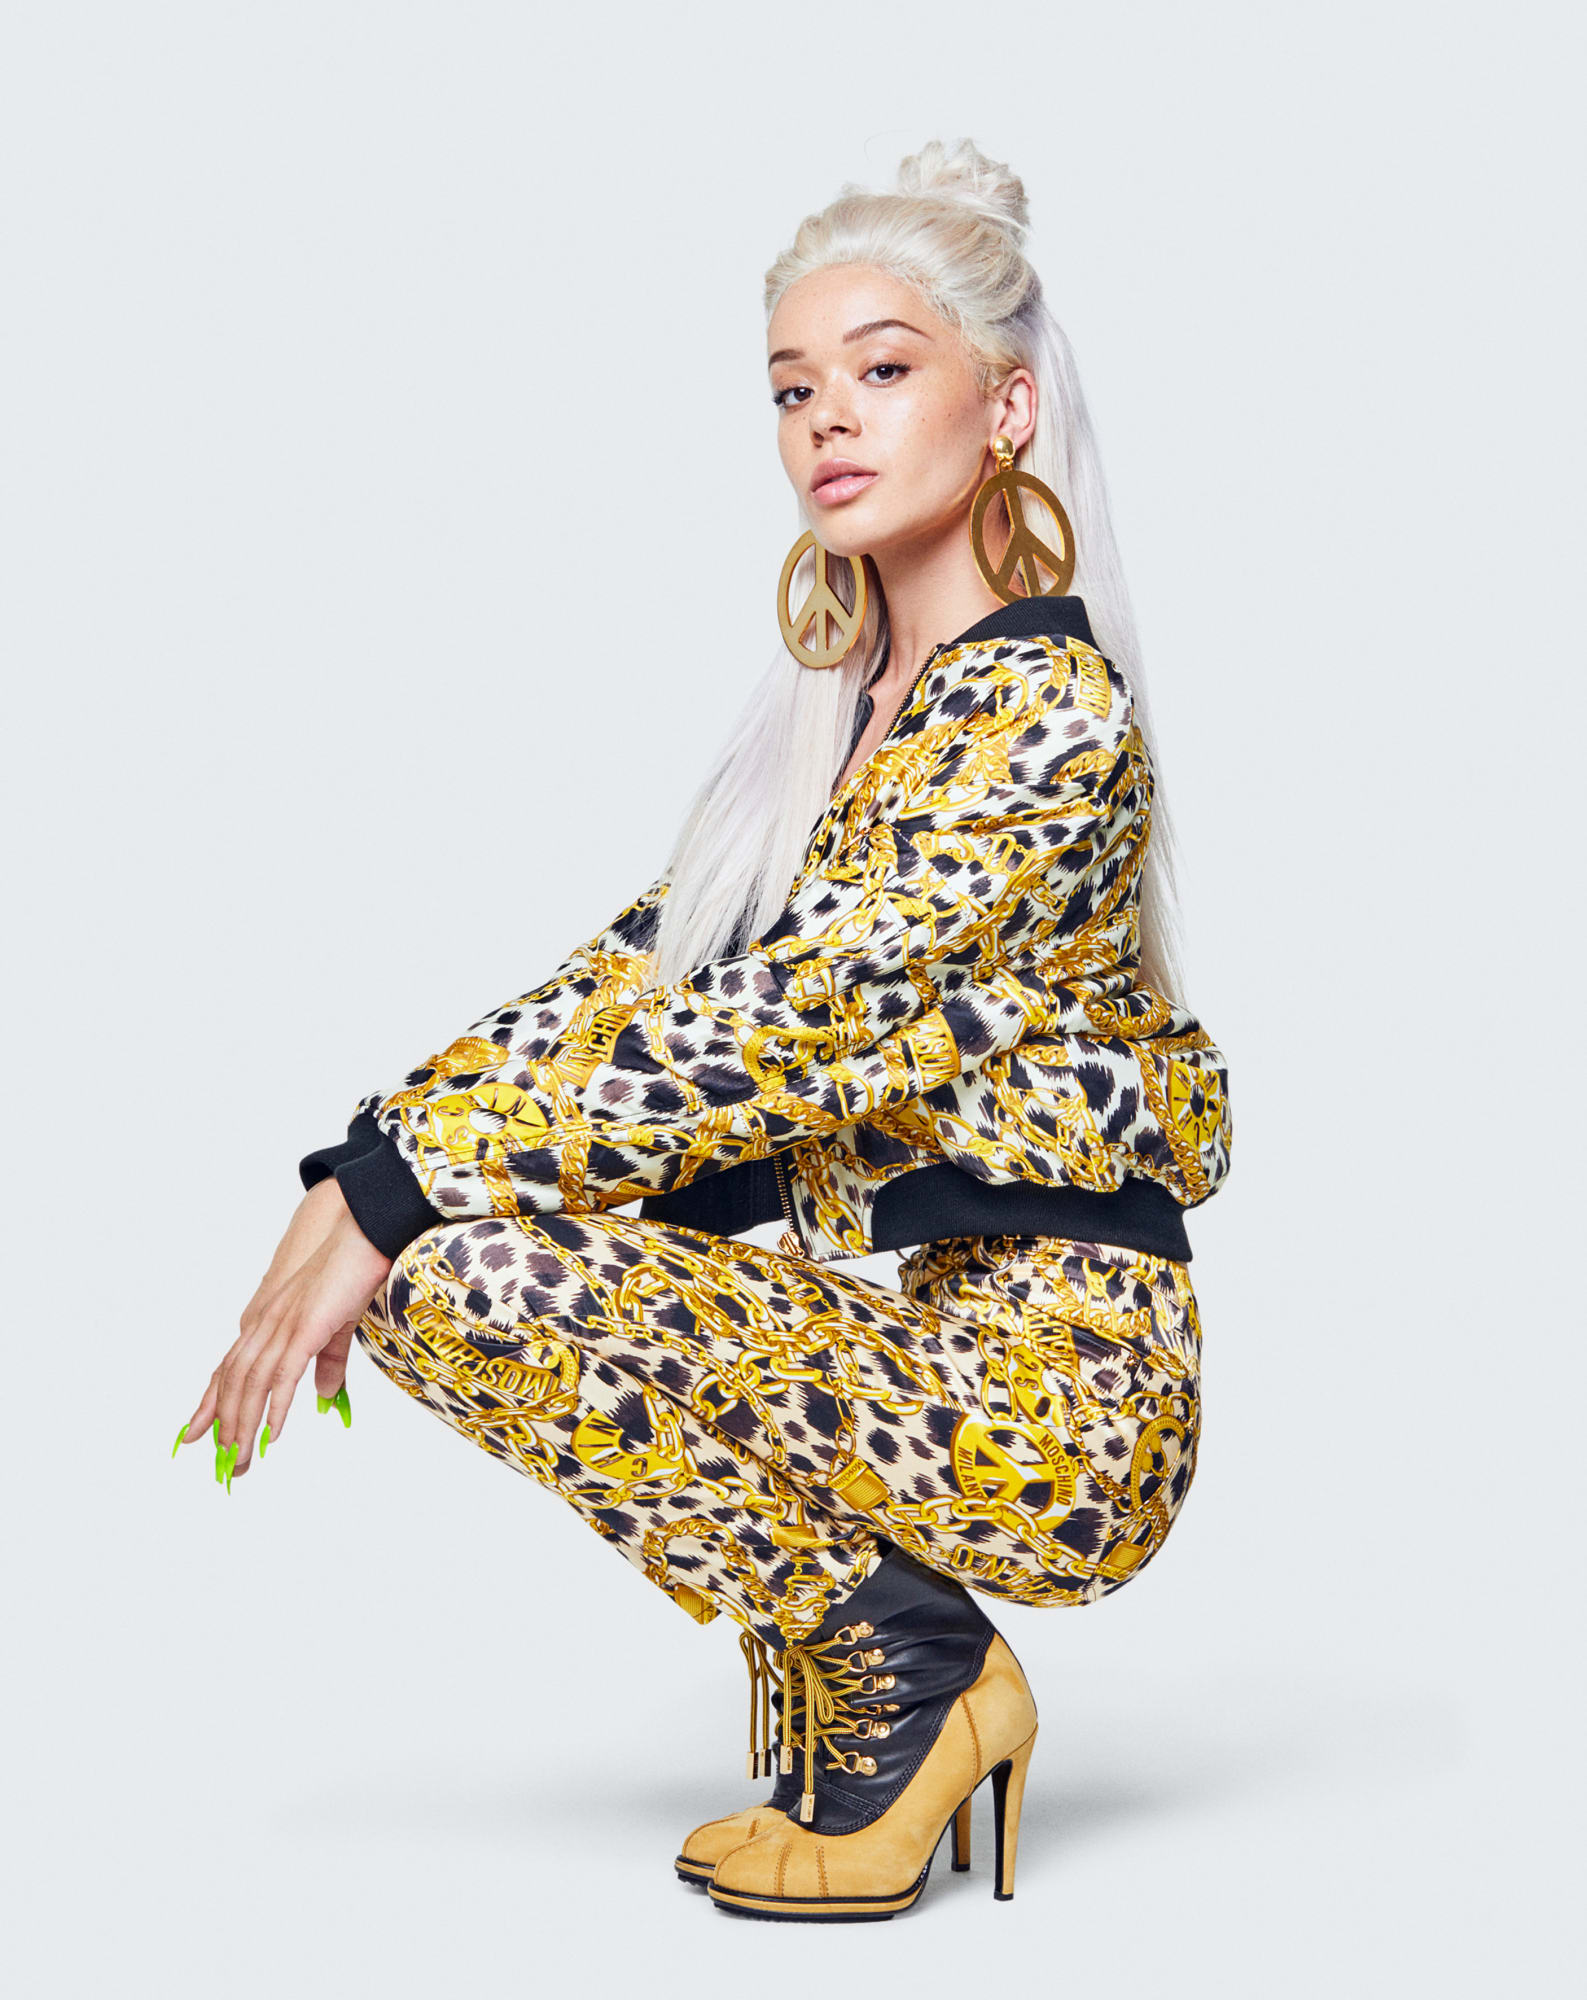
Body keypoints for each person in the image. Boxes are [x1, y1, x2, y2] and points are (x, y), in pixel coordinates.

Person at [174, 136, 1233, 1922]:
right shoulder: (843, 730)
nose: (829, 421)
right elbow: (637, 990)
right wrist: (364, 1165)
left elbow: (784, 1027)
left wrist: (389, 1187)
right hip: (909, 1345)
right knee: (429, 1265)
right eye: (794, 389)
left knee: (451, 1261)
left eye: (883, 370)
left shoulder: (1049, 718)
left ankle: (910, 1677)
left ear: (1008, 409)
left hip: (1058, 1402)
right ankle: (884, 1657)